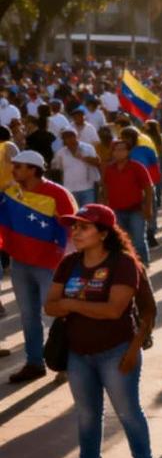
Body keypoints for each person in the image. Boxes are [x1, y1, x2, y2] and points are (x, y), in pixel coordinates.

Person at [45, 204, 156, 458]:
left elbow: (113, 310)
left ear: (104, 233)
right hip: (78, 354)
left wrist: (71, 304)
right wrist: (73, 306)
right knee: (87, 415)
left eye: (84, 227)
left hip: (117, 352)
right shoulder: (69, 263)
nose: (76, 232)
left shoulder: (123, 264)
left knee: (128, 413)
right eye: (74, 226)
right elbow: (49, 306)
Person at [2, 150, 78, 383]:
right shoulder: (12, 192)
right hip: (20, 264)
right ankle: (34, 363)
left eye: (18, 166)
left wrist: (67, 262)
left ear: (33, 169)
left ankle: (66, 364)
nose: (13, 170)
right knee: (28, 317)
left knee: (57, 314)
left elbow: (72, 229)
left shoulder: (58, 194)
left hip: (50, 266)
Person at [101, 139, 154, 265]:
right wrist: (105, 207)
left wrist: (148, 207)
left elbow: (148, 188)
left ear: (128, 152)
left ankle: (142, 265)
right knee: (121, 241)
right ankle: (127, 266)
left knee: (139, 240)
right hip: (116, 210)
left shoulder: (137, 167)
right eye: (116, 150)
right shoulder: (109, 169)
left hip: (136, 209)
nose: (119, 152)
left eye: (122, 150)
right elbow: (105, 188)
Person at [52, 127, 100, 207]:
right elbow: (58, 170)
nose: (69, 139)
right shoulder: (60, 153)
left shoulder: (88, 148)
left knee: (88, 213)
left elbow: (97, 162)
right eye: (66, 137)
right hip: (69, 190)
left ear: (76, 136)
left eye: (71, 136)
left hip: (87, 188)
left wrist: (82, 157)